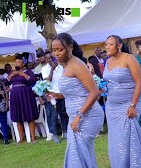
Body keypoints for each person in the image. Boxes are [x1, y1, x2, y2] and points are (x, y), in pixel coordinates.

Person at [103, 35, 141, 167]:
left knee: (126, 139)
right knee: (116, 141)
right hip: (111, 106)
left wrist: (132, 105)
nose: (107, 47)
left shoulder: (128, 58)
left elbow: (139, 81)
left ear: (119, 45)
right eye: (106, 44)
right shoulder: (108, 61)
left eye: (110, 44)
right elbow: (109, 81)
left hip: (128, 104)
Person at [49, 33, 104, 167]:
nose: (56, 53)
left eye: (59, 49)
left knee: (78, 155)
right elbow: (77, 91)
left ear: (70, 47)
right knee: (80, 155)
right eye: (54, 50)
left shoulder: (77, 64)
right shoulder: (65, 66)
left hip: (86, 116)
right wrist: (58, 95)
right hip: (75, 116)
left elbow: (94, 92)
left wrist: (79, 116)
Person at [5, 55, 38, 143]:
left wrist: (22, 74)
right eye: (16, 62)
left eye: (19, 62)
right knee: (17, 116)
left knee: (29, 115)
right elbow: (6, 82)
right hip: (15, 96)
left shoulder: (28, 71)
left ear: (23, 63)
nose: (17, 64)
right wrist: (11, 75)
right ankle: (21, 138)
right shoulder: (12, 72)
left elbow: (33, 80)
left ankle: (33, 137)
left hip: (26, 94)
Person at [42, 51, 69, 143]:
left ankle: (65, 132)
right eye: (49, 58)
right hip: (52, 95)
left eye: (52, 58)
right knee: (54, 115)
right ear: (45, 59)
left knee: (63, 113)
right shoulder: (44, 69)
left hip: (61, 94)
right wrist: (52, 69)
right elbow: (48, 81)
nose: (51, 60)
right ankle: (54, 134)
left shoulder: (61, 67)